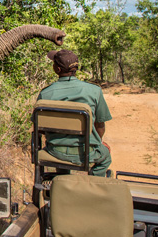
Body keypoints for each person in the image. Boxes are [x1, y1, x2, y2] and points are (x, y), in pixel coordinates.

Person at [37, 49, 112, 177]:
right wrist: (97, 143)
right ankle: (93, 185)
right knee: (105, 157)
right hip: (86, 151)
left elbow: (41, 128)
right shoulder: (94, 91)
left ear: (58, 70)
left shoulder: (45, 94)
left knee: (61, 160)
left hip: (56, 151)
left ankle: (63, 181)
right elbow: (100, 125)